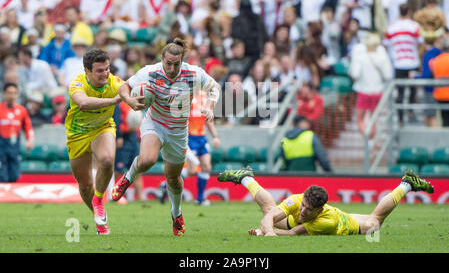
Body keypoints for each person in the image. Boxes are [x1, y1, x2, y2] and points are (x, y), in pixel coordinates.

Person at [112, 38, 221, 236]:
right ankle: (126, 179)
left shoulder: (193, 73)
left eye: (176, 64)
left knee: (173, 179)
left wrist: (210, 107)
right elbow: (123, 87)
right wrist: (129, 101)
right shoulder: (150, 72)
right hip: (155, 123)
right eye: (168, 63)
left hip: (179, 131)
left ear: (182, 61)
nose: (171, 68)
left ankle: (176, 214)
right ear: (162, 59)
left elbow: (215, 88)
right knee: (147, 160)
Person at [217, 167, 434, 236]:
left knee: (374, 224)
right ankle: (245, 177)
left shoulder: (326, 222)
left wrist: (264, 231)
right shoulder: (297, 200)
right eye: (303, 206)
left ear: (319, 210)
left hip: (345, 222)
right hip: (299, 222)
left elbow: (293, 234)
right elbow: (270, 217)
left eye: (308, 210)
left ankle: (406, 184)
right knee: (269, 208)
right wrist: (267, 230)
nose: (302, 210)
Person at [65, 49, 123, 235]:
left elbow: (128, 90)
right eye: (99, 70)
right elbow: (83, 103)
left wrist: (137, 99)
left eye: (107, 69)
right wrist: (113, 100)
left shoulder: (113, 82)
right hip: (77, 135)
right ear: (87, 71)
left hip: (102, 128)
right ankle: (98, 216)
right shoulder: (77, 83)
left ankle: (99, 200)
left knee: (107, 160)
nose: (105, 74)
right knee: (85, 185)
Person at [349, 32, 393, 138]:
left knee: (360, 119)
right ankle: (371, 141)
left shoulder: (360, 57)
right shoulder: (382, 57)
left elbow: (355, 73)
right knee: (373, 119)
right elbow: (388, 75)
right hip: (377, 92)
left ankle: (367, 138)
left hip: (364, 92)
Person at [0, 83, 34, 182]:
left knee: (14, 175)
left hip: (14, 146)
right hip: (1, 147)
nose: (12, 95)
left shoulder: (22, 110)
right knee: (2, 176)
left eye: (14, 93)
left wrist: (30, 140)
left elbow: (28, 126)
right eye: (9, 93)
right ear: (4, 94)